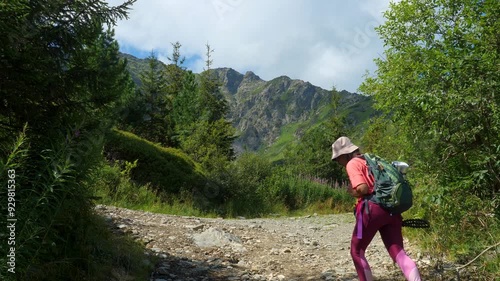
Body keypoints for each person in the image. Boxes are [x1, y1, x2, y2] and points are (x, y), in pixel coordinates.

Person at [331, 136, 422, 281]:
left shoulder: (352, 163)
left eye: (337, 159)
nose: (338, 162)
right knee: (398, 252)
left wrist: (352, 192)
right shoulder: (370, 159)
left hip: (371, 211)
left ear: (344, 155)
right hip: (391, 210)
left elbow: (363, 188)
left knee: (357, 251)